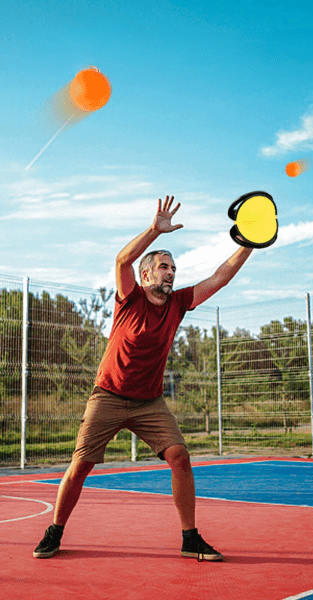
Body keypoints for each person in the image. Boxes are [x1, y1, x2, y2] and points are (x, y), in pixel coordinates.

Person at [34, 195, 253, 562]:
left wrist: (249, 243)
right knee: (81, 465)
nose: (170, 273)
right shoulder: (129, 299)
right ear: (147, 273)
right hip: (108, 395)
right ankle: (54, 531)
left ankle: (190, 538)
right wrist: (155, 229)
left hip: (149, 402)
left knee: (180, 456)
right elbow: (122, 260)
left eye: (174, 269)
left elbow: (220, 277)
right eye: (164, 267)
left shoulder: (179, 303)